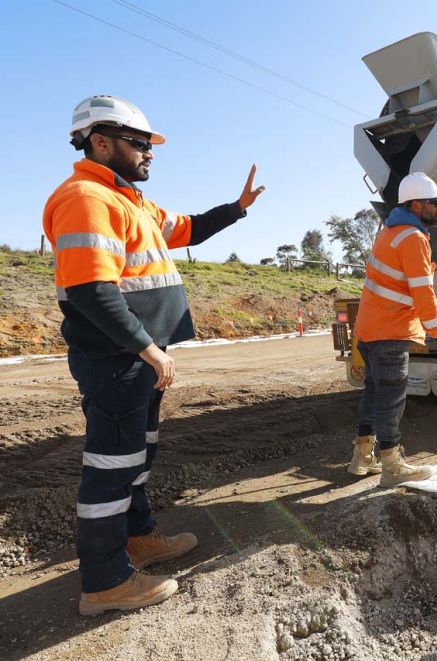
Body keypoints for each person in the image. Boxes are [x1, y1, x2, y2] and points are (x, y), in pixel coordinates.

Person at [42, 95, 265, 615]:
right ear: (101, 142)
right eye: (140, 143)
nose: (150, 153)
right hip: (118, 358)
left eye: (150, 145)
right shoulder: (86, 198)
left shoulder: (131, 202)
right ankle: (104, 582)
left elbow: (186, 228)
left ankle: (137, 537)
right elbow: (91, 291)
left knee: (137, 455)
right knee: (111, 464)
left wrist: (237, 209)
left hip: (138, 358)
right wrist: (147, 349)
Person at [348, 172, 437, 487]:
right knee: (392, 397)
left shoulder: (390, 233)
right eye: (435, 203)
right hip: (390, 331)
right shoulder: (413, 239)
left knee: (373, 393)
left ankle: (362, 457)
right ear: (416, 204)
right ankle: (392, 465)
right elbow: (423, 293)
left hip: (370, 330)